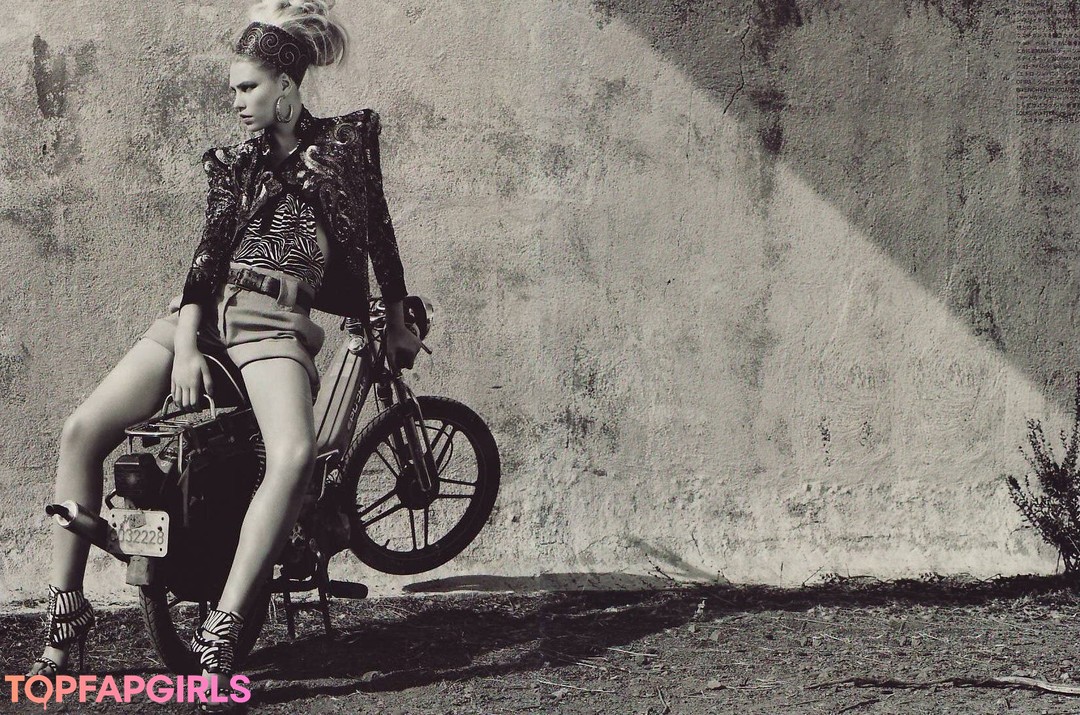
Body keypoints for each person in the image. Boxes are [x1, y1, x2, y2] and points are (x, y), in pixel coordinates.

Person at [26, 0, 424, 695]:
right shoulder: (234, 163)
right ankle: (65, 622)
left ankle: (224, 629)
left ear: (286, 86)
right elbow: (205, 261)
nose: (236, 101)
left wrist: (395, 315)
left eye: (247, 87)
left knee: (294, 454)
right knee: (81, 431)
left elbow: (378, 234)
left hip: (274, 325)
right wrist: (185, 346)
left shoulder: (346, 145)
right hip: (206, 316)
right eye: (234, 89)